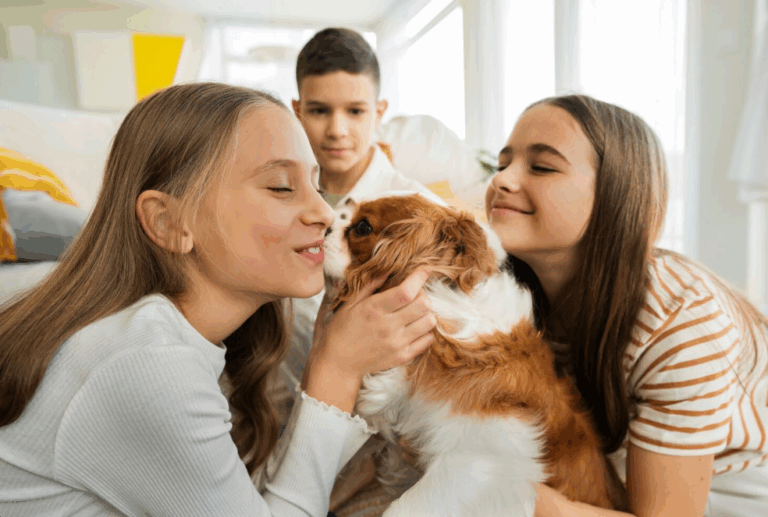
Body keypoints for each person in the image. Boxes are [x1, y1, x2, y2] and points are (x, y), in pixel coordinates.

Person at [0, 82, 436, 517]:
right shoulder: (146, 361)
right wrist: (337, 369)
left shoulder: (175, 336)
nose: (324, 213)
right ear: (169, 221)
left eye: (316, 186)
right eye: (282, 187)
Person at [485, 93, 768, 517]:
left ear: (616, 194)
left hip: (725, 485)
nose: (503, 180)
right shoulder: (504, 287)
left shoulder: (681, 322)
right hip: (615, 459)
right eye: (503, 163)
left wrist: (510, 491)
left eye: (541, 167)